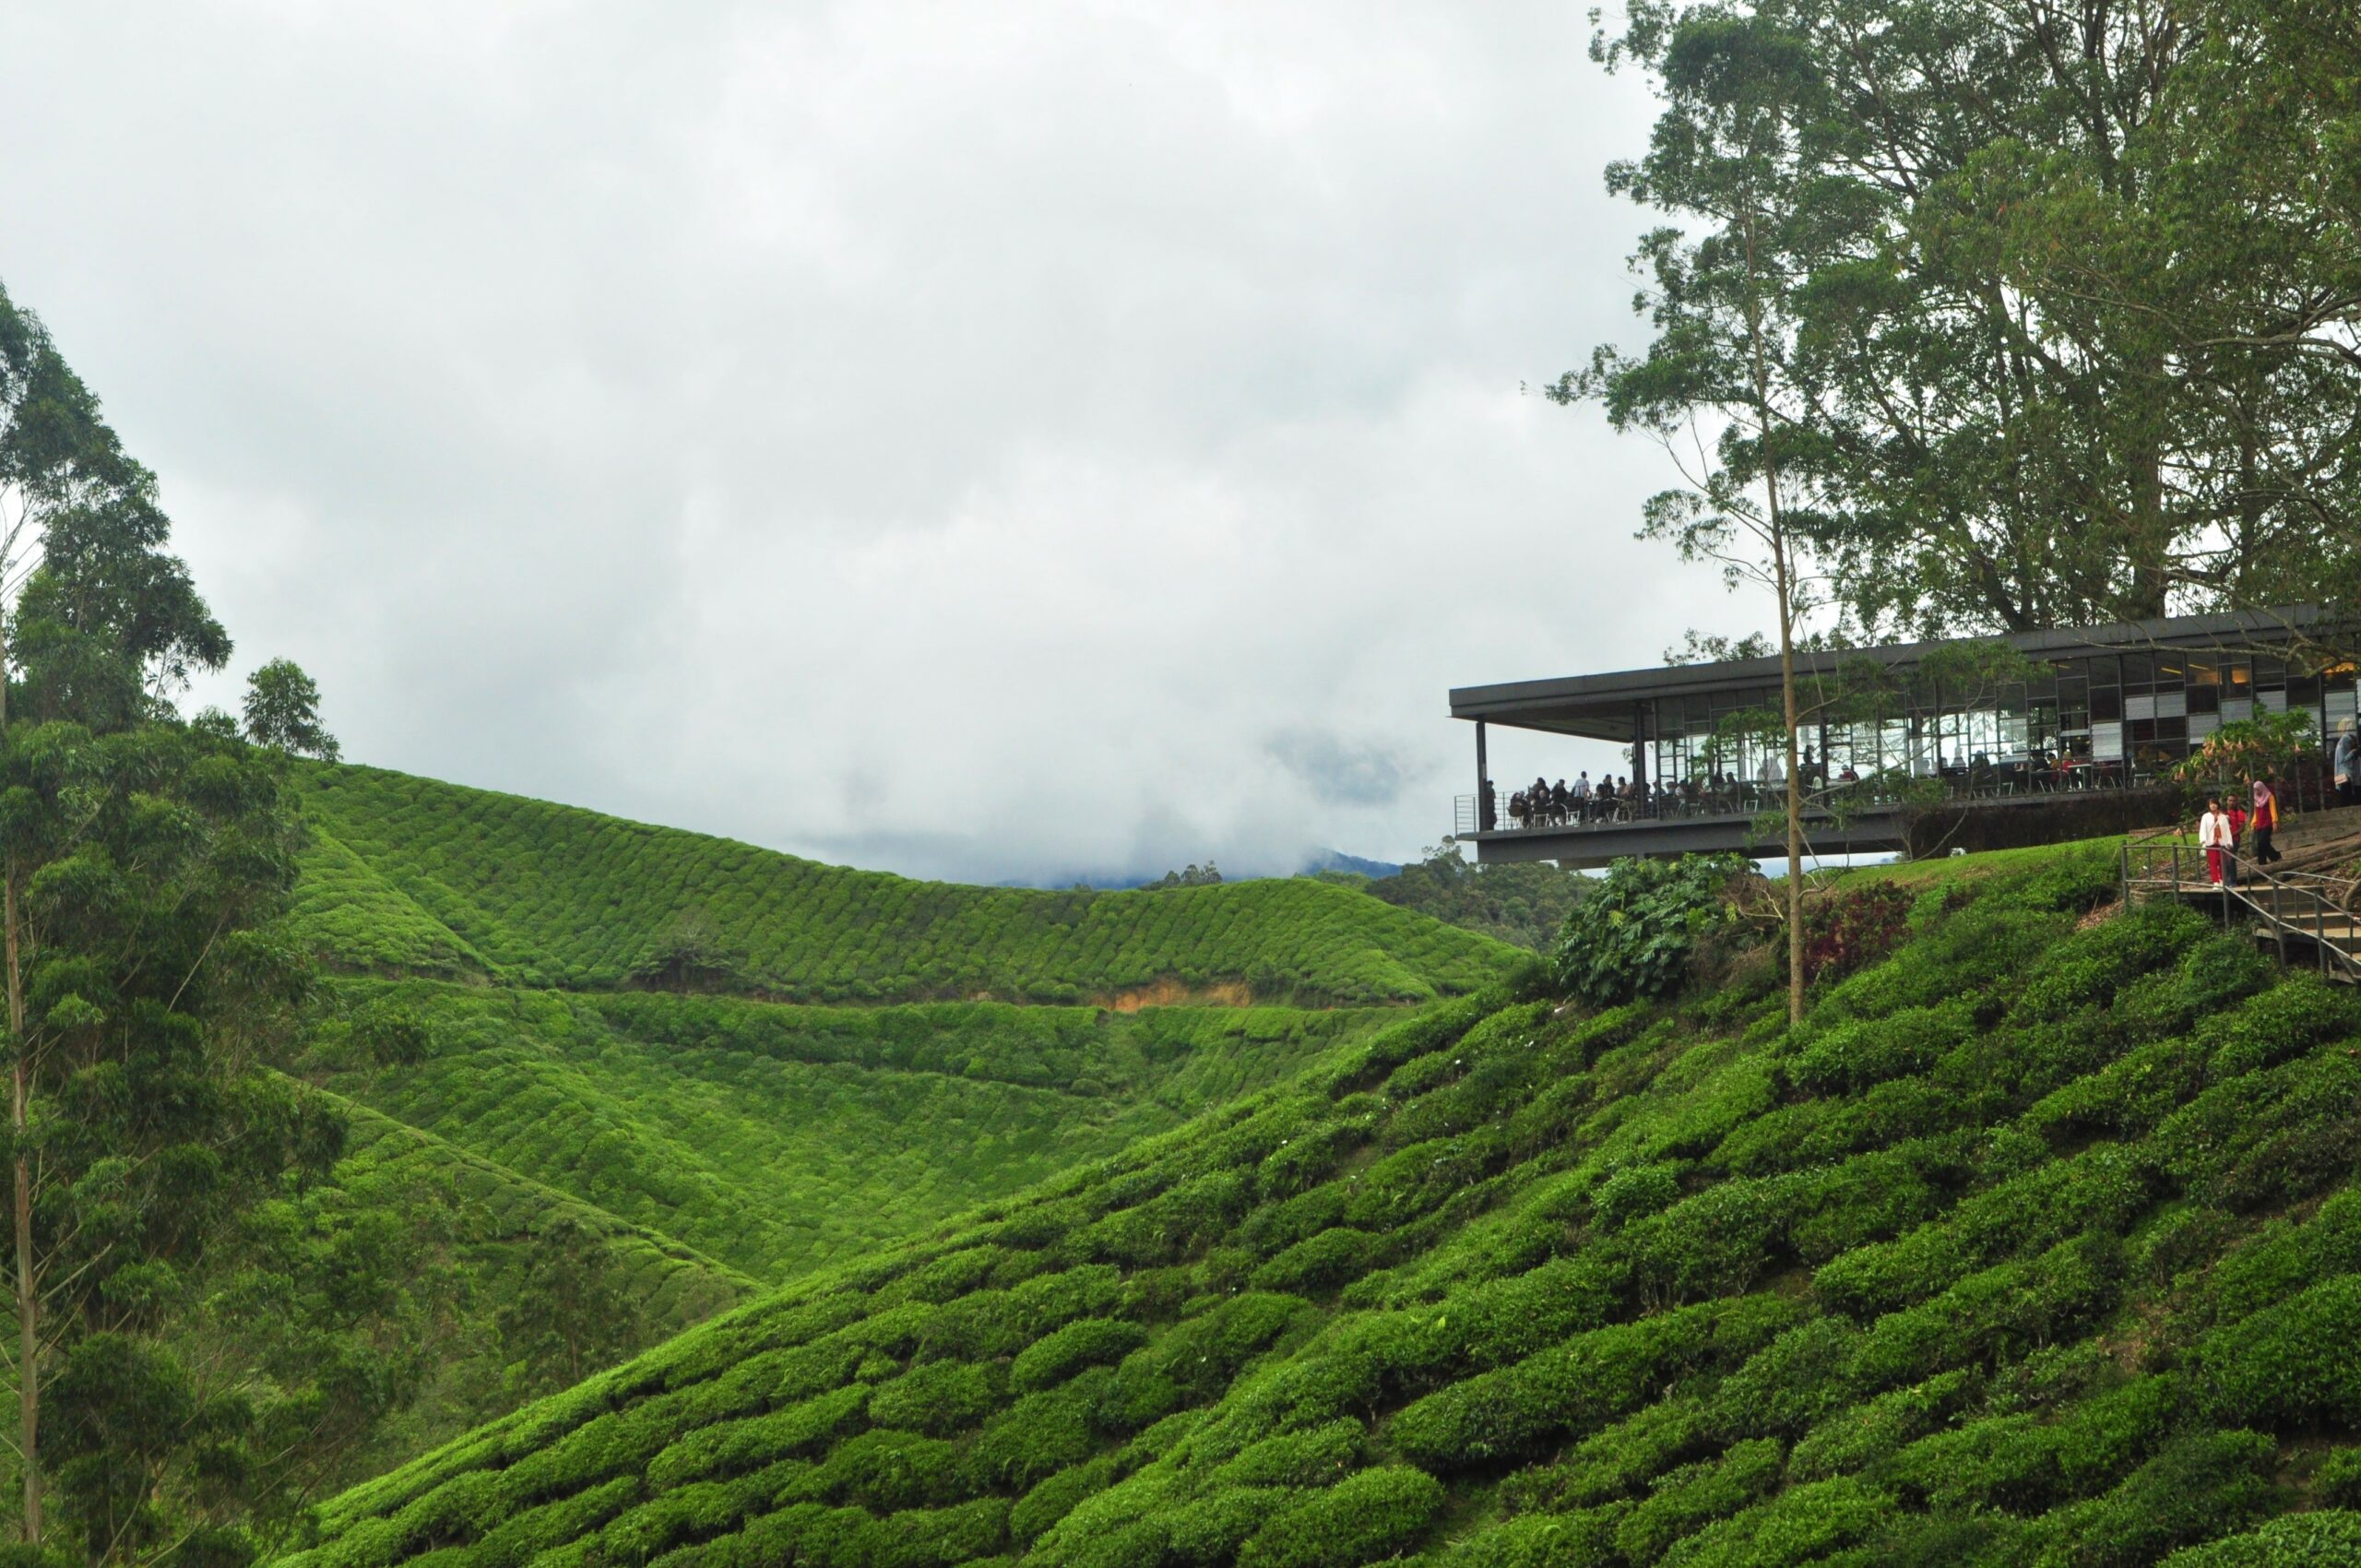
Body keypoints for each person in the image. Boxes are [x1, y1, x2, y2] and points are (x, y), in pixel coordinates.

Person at [2200, 797, 2233, 887]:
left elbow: (2227, 831)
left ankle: (2222, 880)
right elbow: (2202, 830)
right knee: (2213, 863)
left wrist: (2229, 842)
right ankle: (2215, 882)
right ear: (2208, 806)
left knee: (2222, 863)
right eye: (2211, 804)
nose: (2213, 805)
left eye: (2214, 803)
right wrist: (2203, 843)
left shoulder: (2223, 817)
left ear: (2218, 804)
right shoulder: (2205, 816)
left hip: (2222, 843)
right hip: (2211, 843)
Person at [2250, 778, 2284, 864]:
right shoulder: (2256, 798)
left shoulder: (2269, 796)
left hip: (2268, 822)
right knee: (2260, 843)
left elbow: (2273, 809)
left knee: (2263, 841)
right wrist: (2253, 823)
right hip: (2259, 823)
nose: (2256, 791)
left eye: (2258, 789)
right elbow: (2256, 812)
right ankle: (2262, 862)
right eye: (2255, 790)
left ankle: (2275, 856)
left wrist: (2275, 822)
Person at [2337, 719, 2359, 809]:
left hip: (2347, 772)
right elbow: (2342, 760)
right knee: (2346, 791)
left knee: (2348, 791)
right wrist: (2352, 752)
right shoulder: (2343, 743)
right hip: (2344, 772)